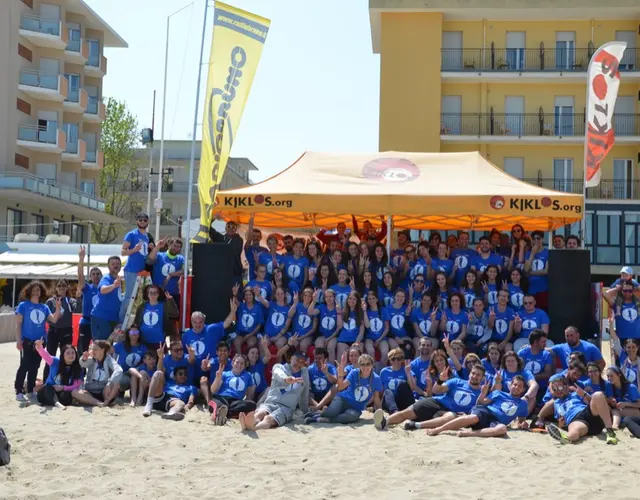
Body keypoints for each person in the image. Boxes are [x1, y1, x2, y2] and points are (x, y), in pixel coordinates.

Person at [373, 363, 486, 431]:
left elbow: (477, 409)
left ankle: (416, 425)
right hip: (437, 402)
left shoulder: (482, 392)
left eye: (478, 375)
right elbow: (436, 390)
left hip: (451, 412)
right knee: (408, 412)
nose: (475, 376)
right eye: (473, 373)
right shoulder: (457, 381)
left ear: (482, 378)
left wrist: (466, 414)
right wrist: (441, 380)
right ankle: (384, 422)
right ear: (470, 373)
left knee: (450, 416)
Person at [425, 376, 530, 438]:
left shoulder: (523, 404)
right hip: (486, 411)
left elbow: (520, 421)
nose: (516, 387)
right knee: (473, 418)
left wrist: (523, 424)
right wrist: (483, 393)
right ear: (510, 385)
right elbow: (480, 403)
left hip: (496, 421)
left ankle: (468, 434)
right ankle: (438, 429)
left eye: (519, 386)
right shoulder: (498, 393)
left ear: (523, 389)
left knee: (502, 429)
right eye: (515, 384)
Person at [14, 281, 62, 402]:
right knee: (24, 365)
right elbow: (18, 324)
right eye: (34, 290)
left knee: (35, 367)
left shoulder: (44, 307)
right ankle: (19, 391)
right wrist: (18, 340)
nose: (36, 292)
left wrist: (57, 308)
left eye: (38, 290)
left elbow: (54, 320)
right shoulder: (23, 305)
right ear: (29, 292)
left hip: (40, 343)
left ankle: (31, 391)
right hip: (27, 341)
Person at [538, 375, 618, 445]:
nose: (558, 391)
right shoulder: (555, 403)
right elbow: (560, 421)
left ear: (566, 386)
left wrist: (584, 394)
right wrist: (560, 424)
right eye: (555, 389)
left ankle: (610, 432)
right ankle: (566, 438)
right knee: (575, 429)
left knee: (598, 395)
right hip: (576, 421)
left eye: (560, 387)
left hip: (588, 413)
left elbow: (594, 402)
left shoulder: (576, 394)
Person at [305, 353, 382, 425]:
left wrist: (380, 413)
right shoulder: (354, 373)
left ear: (372, 365)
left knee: (351, 417)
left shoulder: (376, 379)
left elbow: (376, 398)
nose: (365, 367)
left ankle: (320, 419)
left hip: (356, 407)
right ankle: (318, 414)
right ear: (359, 365)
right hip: (343, 399)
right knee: (331, 413)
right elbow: (340, 387)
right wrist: (340, 376)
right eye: (362, 364)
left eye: (368, 364)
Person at [242, 351, 310, 431]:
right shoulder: (279, 367)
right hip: (271, 402)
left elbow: (304, 396)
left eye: (302, 362)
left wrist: (306, 412)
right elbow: (278, 373)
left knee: (269, 418)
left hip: (287, 408)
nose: (298, 364)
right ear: (291, 358)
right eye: (297, 360)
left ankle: (253, 427)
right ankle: (250, 422)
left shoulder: (304, 374)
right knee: (262, 413)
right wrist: (286, 379)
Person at [182, 305, 236, 387]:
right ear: (191, 322)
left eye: (200, 322)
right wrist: (191, 357)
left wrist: (233, 311)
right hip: (194, 374)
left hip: (212, 372)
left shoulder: (211, 329)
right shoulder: (186, 335)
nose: (198, 325)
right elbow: (184, 356)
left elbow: (226, 324)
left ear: (204, 322)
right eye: (195, 322)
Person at [41, 279, 75, 381]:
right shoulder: (50, 301)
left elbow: (77, 309)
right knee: (49, 357)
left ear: (67, 287)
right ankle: (46, 381)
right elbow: (47, 317)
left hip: (66, 331)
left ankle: (65, 381)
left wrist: (79, 297)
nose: (61, 287)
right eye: (59, 285)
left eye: (64, 285)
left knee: (66, 357)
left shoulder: (70, 301)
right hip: (53, 331)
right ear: (55, 287)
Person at [33, 339, 83, 410]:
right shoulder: (55, 362)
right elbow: (46, 355)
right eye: (68, 353)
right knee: (47, 388)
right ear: (63, 355)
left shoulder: (78, 369)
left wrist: (62, 387)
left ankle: (53, 401)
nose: (71, 355)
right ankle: (56, 402)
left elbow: (75, 386)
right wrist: (39, 347)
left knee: (67, 396)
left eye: (73, 353)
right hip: (48, 390)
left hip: (62, 392)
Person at [209, 354, 257, 425]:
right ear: (232, 363)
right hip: (222, 397)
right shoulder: (225, 374)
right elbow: (213, 390)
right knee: (219, 403)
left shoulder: (248, 376)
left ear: (244, 366)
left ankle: (222, 413)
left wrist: (246, 405)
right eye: (237, 362)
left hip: (235, 401)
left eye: (242, 363)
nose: (239, 365)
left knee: (252, 404)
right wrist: (217, 378)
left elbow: (249, 395)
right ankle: (222, 412)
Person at [120, 212, 150, 321]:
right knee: (129, 296)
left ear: (148, 222)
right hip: (132, 270)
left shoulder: (147, 236)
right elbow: (123, 252)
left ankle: (140, 319)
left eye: (144, 220)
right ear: (137, 221)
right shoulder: (131, 234)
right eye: (140, 220)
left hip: (144, 272)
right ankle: (121, 320)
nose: (142, 222)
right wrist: (134, 250)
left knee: (143, 297)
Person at [79, 341, 123, 406]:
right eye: (92, 349)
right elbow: (83, 364)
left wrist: (109, 383)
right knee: (75, 393)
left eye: (95, 349)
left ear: (103, 350)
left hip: (105, 390)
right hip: (90, 391)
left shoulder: (109, 359)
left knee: (116, 384)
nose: (93, 351)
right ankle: (98, 403)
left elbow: (119, 370)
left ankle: (106, 401)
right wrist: (83, 359)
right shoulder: (92, 359)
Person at [91, 256, 123, 341]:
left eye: (118, 264)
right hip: (102, 318)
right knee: (101, 346)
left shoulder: (118, 280)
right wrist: (114, 285)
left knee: (109, 347)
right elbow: (102, 290)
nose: (116, 266)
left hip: (113, 319)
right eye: (113, 264)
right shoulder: (106, 278)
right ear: (108, 266)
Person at [146, 236, 185, 307]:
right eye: (174, 246)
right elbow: (149, 261)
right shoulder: (159, 256)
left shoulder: (181, 259)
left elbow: (185, 271)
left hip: (173, 294)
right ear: (169, 245)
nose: (176, 248)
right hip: (158, 294)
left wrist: (170, 275)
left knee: (174, 316)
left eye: (178, 247)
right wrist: (158, 246)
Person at [112, 326, 147, 404]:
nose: (134, 335)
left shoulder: (143, 347)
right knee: (123, 383)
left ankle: (133, 397)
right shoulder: (121, 345)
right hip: (124, 372)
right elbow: (107, 350)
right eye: (131, 333)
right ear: (128, 334)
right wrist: (112, 337)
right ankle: (120, 392)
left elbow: (145, 361)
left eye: (136, 332)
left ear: (139, 334)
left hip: (136, 373)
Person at [77, 245, 102, 353]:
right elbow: (80, 275)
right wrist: (81, 259)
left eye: (98, 274)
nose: (96, 276)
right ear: (90, 277)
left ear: (101, 276)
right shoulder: (87, 288)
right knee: (83, 349)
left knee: (99, 349)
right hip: (86, 322)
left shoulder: (105, 288)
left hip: (99, 323)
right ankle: (81, 370)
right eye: (93, 274)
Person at [517, 329, 553, 400]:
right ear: (535, 342)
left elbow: (547, 374)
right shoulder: (522, 353)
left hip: (541, 388)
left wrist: (530, 378)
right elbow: (518, 371)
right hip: (523, 387)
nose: (545, 344)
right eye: (543, 342)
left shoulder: (546, 355)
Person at [308, 289, 341, 363]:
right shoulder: (321, 307)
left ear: (334, 297)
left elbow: (339, 327)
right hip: (322, 335)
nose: (328, 299)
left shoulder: (337, 308)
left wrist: (329, 338)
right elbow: (310, 312)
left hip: (334, 336)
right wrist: (313, 301)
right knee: (319, 347)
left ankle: (331, 369)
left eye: (330, 296)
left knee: (330, 347)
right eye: (326, 297)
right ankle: (319, 367)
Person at [379, 348, 417, 414]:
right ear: (390, 360)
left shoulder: (407, 370)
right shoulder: (384, 371)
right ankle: (395, 412)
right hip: (390, 401)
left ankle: (400, 413)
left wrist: (408, 374)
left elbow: (413, 388)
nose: (396, 361)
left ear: (402, 360)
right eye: (393, 359)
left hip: (403, 400)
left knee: (402, 384)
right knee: (387, 392)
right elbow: (381, 391)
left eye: (399, 359)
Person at [210, 217, 244, 284]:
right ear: (225, 228)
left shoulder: (238, 239)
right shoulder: (220, 238)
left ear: (236, 229)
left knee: (237, 293)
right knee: (223, 293)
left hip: (235, 273)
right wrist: (213, 219)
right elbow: (208, 229)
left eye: (233, 227)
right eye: (228, 226)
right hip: (222, 272)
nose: (230, 229)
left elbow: (235, 252)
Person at [233, 286, 265, 355]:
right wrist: (235, 294)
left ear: (253, 296)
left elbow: (259, 324)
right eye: (246, 295)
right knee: (236, 342)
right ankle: (240, 358)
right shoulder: (242, 306)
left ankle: (249, 360)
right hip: (241, 333)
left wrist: (250, 335)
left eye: (250, 295)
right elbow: (235, 301)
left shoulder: (258, 308)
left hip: (252, 334)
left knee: (251, 343)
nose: (248, 297)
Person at [524, 230, 549, 310]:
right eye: (534, 239)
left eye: (538, 238)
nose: (536, 241)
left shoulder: (547, 252)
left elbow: (545, 271)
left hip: (543, 288)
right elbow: (526, 270)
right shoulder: (529, 253)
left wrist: (530, 273)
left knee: (542, 310)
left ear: (542, 240)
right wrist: (532, 254)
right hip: (531, 288)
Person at [244, 215, 268, 281]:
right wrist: (250, 226)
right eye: (253, 236)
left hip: (264, 277)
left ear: (260, 238)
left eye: (257, 236)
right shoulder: (248, 248)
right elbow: (249, 240)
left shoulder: (265, 250)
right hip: (252, 277)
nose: (255, 238)